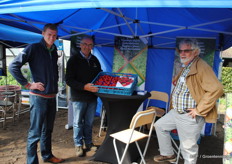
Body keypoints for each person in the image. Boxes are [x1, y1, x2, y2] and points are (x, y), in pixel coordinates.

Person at [153, 38, 224, 164]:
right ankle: (168, 154)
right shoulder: (188, 65)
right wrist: (177, 78)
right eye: (180, 51)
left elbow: (217, 89)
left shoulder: (202, 66)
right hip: (177, 112)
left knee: (188, 149)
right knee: (160, 126)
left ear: (196, 52)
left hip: (189, 115)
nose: (182, 53)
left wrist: (199, 110)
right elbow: (189, 80)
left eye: (187, 50)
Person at [9, 23, 65, 164]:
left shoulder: (53, 51)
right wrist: (28, 84)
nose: (52, 38)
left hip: (51, 97)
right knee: (35, 133)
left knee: (48, 130)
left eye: (54, 35)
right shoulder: (33, 48)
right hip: (39, 98)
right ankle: (32, 161)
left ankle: (47, 155)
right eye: (49, 35)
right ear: (43, 34)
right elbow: (13, 66)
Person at [65, 36, 102, 157]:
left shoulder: (95, 60)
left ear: (93, 46)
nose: (87, 47)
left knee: (89, 122)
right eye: (85, 44)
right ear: (80, 45)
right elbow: (69, 80)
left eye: (90, 45)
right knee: (77, 123)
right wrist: (84, 87)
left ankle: (89, 143)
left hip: (92, 97)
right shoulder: (73, 60)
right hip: (79, 97)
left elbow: (100, 76)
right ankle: (78, 145)